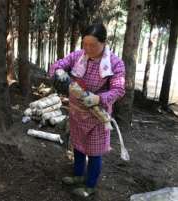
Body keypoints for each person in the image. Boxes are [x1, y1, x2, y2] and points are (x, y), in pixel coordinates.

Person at [49, 24, 125, 197]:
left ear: (104, 42)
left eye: (93, 45)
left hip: (97, 116)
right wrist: (59, 70)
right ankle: (77, 175)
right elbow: (57, 65)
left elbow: (119, 90)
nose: (88, 49)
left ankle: (90, 185)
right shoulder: (78, 56)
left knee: (95, 152)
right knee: (78, 146)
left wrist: (99, 98)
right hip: (77, 113)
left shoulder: (114, 63)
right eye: (85, 44)